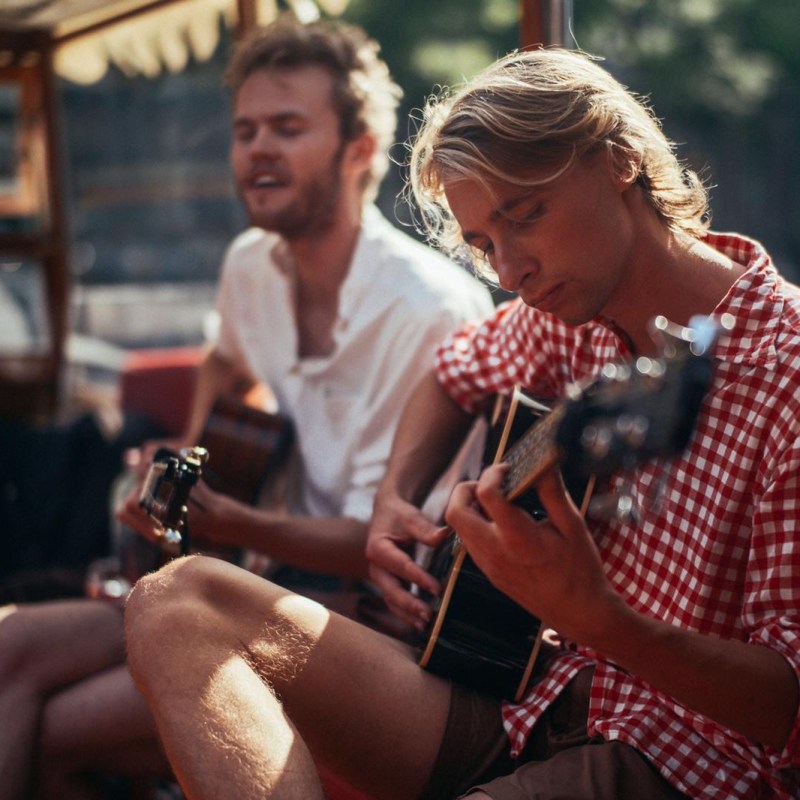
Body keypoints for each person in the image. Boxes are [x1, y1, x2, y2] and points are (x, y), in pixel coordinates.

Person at [123, 46, 800, 800]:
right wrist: (394, 498)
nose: (509, 271)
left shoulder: (787, 377)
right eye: (483, 244)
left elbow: (789, 706)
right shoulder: (567, 310)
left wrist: (603, 622)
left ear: (617, 161)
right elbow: (454, 372)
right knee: (173, 602)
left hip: (681, 760)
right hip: (522, 699)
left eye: (525, 215)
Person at [0, 15, 492, 800]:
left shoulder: (427, 310)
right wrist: (186, 466)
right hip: (254, 575)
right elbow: (226, 362)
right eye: (244, 129)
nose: (257, 148)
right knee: (9, 644)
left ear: (359, 150)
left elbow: (393, 545)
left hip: (361, 625)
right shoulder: (250, 267)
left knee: (50, 728)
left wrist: (238, 525)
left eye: (287, 128)